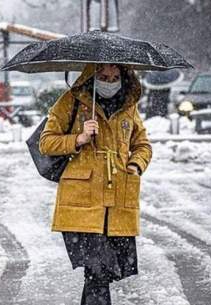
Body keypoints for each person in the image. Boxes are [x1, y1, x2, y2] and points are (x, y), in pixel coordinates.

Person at [39, 63, 152, 305]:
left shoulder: (128, 107)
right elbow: (46, 142)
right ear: (92, 76)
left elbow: (143, 145)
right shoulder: (72, 101)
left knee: (99, 275)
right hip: (81, 204)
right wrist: (79, 138)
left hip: (117, 204)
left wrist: (134, 166)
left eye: (114, 77)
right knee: (98, 271)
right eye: (103, 76)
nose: (109, 82)